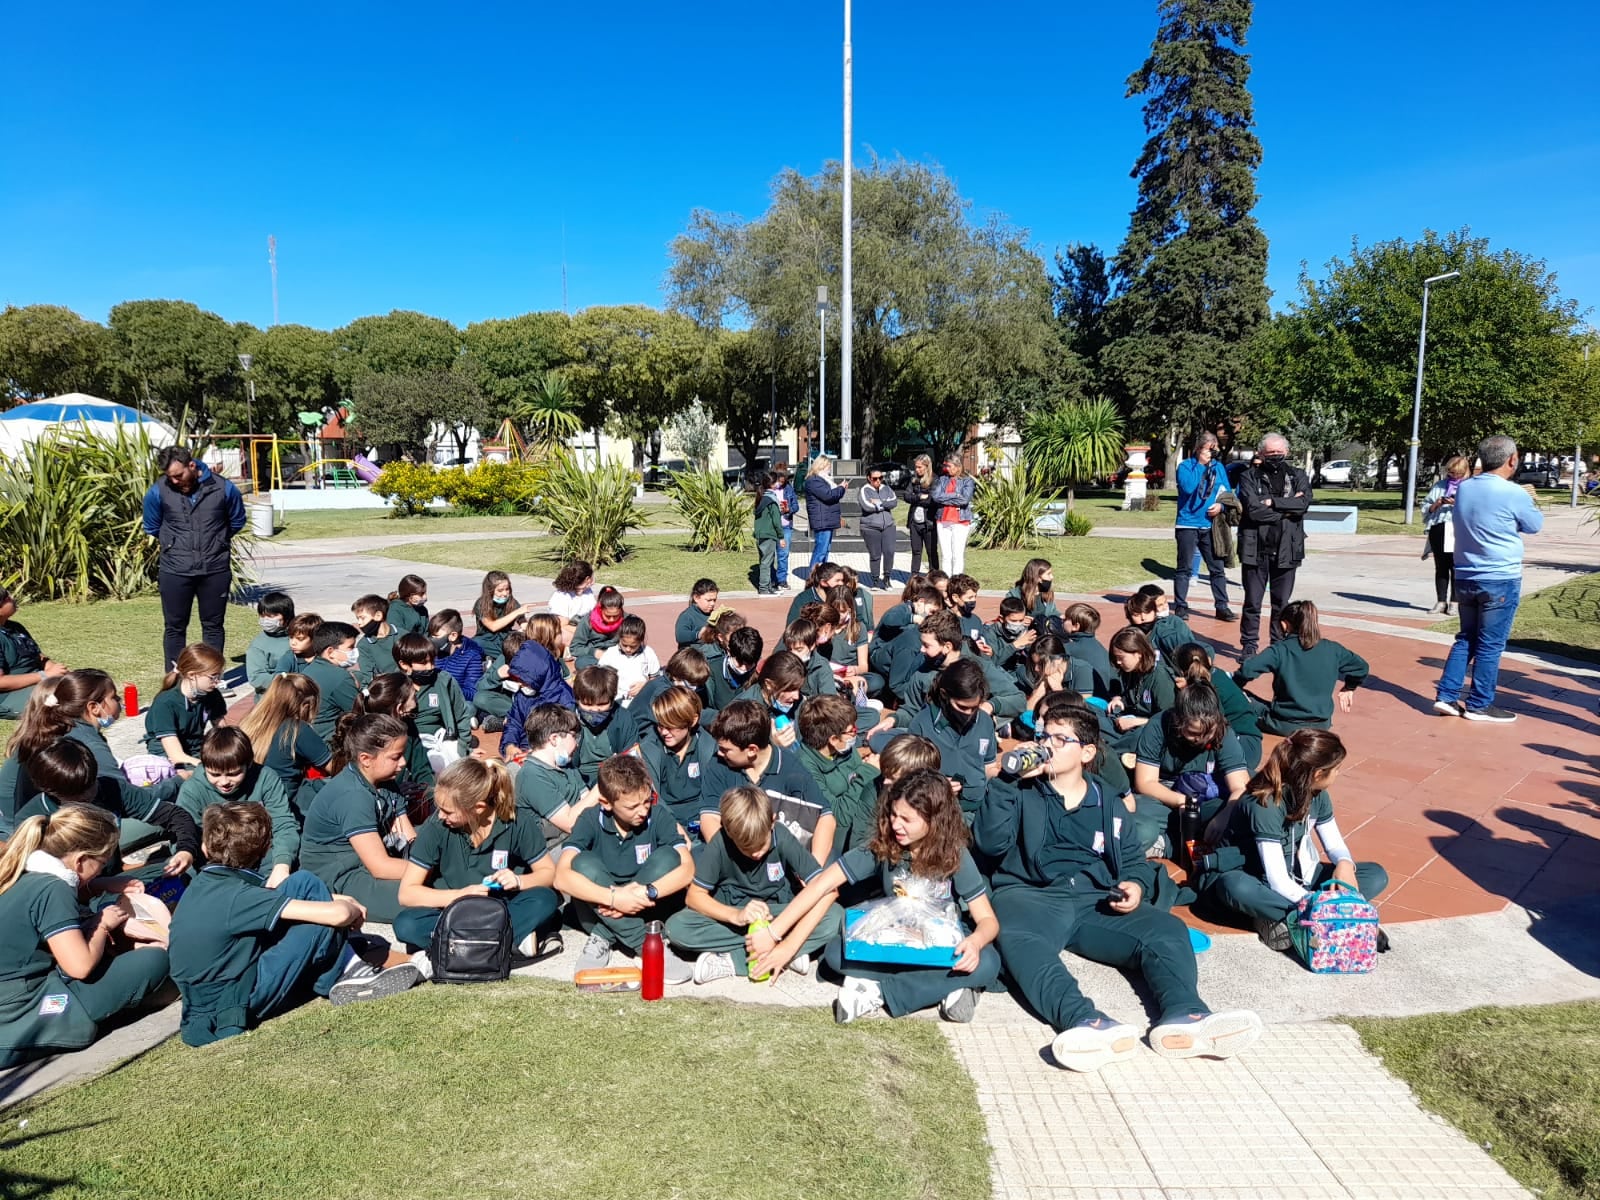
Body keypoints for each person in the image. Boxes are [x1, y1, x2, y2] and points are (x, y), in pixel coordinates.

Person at [976, 705, 1262, 1072]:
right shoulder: (1018, 791)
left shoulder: (1106, 800)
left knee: (1166, 929)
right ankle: (1086, 1022)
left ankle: (1185, 1013)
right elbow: (988, 844)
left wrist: (1138, 886)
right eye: (1044, 736)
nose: (1047, 745)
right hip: (1030, 895)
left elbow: (1132, 861)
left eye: (1060, 739)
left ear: (1087, 752)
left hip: (1094, 899)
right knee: (1019, 940)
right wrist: (1005, 780)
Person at [169, 802, 421, 1046]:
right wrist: (350, 907)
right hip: (233, 1000)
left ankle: (343, 967)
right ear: (267, 848)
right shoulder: (238, 897)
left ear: (204, 847)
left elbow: (273, 897)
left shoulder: (206, 885)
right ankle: (344, 973)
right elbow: (336, 917)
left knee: (302, 883)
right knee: (313, 897)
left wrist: (338, 899)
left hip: (211, 995)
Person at [760, 770, 1000, 1024]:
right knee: (835, 954)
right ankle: (947, 987)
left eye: (907, 819)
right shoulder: (884, 846)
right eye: (894, 814)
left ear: (934, 820)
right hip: (892, 937)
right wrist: (776, 937)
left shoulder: (955, 854)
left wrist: (975, 942)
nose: (896, 824)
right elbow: (821, 885)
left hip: (940, 943)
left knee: (988, 961)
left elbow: (988, 920)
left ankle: (879, 992)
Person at [0, 805, 171, 1067]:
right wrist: (102, 924)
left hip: (14, 992)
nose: (101, 871)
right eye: (101, 865)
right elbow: (80, 966)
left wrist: (98, 887)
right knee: (153, 961)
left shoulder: (21, 870)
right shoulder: (52, 889)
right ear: (80, 860)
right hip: (21, 1009)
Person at [1201, 729, 1388, 952]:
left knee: (1375, 875)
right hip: (1256, 879)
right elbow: (1277, 879)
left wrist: (1345, 863)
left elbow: (1334, 845)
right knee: (1235, 887)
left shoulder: (1317, 795)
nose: (1338, 774)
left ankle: (1286, 918)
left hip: (1298, 878)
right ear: (1318, 774)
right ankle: (1323, 918)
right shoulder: (1267, 804)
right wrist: (1327, 907)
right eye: (1336, 769)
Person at [666, 785, 842, 984]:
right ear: (729, 833)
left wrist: (774, 931)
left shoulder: (781, 836)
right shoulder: (720, 842)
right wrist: (736, 916)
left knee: (835, 916)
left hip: (778, 915)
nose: (756, 853)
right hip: (734, 916)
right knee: (677, 927)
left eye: (761, 845)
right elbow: (694, 896)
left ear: (772, 822)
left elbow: (827, 889)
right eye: (747, 848)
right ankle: (782, 955)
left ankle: (734, 960)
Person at [394, 757, 562, 961]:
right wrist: (460, 895)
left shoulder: (517, 822)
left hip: (500, 910)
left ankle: (455, 946)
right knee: (406, 924)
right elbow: (407, 893)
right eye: (439, 808)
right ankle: (504, 942)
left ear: (478, 808)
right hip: (452, 913)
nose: (440, 816)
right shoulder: (435, 828)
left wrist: (519, 881)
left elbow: (548, 873)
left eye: (448, 811)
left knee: (545, 899)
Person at [554, 754, 695, 982]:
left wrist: (644, 891)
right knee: (581, 863)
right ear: (606, 803)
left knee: (670, 856)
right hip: (599, 907)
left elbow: (688, 869)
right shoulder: (590, 819)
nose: (643, 810)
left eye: (647, 801)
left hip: (645, 906)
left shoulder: (658, 816)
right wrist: (614, 898)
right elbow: (561, 878)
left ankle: (605, 935)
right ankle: (647, 946)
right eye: (632, 806)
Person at [1434, 435, 1543, 723]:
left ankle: (1446, 696)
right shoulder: (1514, 492)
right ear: (1512, 459)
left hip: (1466, 574)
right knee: (1490, 644)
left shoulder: (1466, 488)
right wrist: (1531, 501)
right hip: (1499, 577)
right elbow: (1534, 525)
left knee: (1466, 637)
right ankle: (1480, 703)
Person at [297, 713, 416, 922]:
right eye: (396, 757)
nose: (403, 762)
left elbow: (408, 836)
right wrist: (425, 868)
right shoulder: (353, 796)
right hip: (340, 876)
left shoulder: (384, 780)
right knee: (421, 899)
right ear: (365, 759)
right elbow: (380, 867)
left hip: (368, 859)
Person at [142, 446, 247, 670]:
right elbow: (151, 526)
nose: (175, 481)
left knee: (213, 625)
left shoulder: (224, 488)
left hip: (215, 568)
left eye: (178, 475)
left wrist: (217, 541)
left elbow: (237, 521)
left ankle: (212, 676)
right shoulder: (158, 491)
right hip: (175, 569)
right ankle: (175, 676)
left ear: (192, 465)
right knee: (174, 626)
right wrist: (174, 544)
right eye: (170, 477)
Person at [700, 700, 834, 863]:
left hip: (781, 856)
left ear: (751, 750)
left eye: (726, 750)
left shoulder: (791, 767)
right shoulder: (719, 764)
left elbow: (825, 817)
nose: (719, 753)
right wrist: (731, 859)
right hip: (735, 852)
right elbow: (709, 818)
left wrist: (814, 869)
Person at [1130, 682, 1251, 858]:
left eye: (1207, 733)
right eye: (1193, 733)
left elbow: (1241, 786)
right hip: (1165, 794)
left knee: (1242, 811)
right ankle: (1175, 843)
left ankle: (1169, 844)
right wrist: (1183, 803)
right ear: (1178, 721)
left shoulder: (1223, 732)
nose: (1200, 739)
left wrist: (1223, 816)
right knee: (1137, 814)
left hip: (1206, 796)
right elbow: (1145, 782)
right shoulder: (1159, 725)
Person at [178, 727, 299, 888]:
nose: (224, 782)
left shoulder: (265, 778)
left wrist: (282, 866)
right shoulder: (192, 790)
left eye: (234, 773)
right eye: (214, 774)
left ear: (248, 764)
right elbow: (185, 833)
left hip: (259, 855)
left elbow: (283, 823)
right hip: (213, 862)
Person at [1234, 600, 1368, 733]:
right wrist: (1349, 687)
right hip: (1322, 724)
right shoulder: (1333, 649)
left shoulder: (1279, 650)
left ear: (1284, 625)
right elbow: (1361, 667)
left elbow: (1247, 670)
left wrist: (1235, 684)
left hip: (1284, 723)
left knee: (1239, 697)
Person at [1236, 433, 1313, 660]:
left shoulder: (1298, 475)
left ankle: (1278, 644)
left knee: (1281, 603)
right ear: (1260, 454)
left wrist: (1273, 502)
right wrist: (1287, 510)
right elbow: (1253, 510)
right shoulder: (1249, 476)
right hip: (1255, 548)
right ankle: (1249, 645)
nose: (1275, 457)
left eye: (1279, 453)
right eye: (1270, 453)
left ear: (1287, 452)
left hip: (1287, 548)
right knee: (1252, 602)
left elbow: (1304, 504)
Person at [795, 693, 878, 856]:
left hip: (858, 807)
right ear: (833, 739)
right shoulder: (805, 770)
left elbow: (856, 771)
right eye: (851, 731)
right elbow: (838, 816)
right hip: (835, 833)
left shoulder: (842, 749)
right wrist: (866, 772)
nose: (856, 732)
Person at [239, 673, 332, 816]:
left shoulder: (251, 721)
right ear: (305, 706)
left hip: (255, 801)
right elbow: (334, 767)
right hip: (287, 801)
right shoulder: (297, 729)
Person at [634, 688, 717, 837]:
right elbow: (652, 797)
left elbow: (715, 794)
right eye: (660, 725)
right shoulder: (649, 748)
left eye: (670, 726)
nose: (664, 732)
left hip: (704, 818)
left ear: (692, 720)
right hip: (665, 822)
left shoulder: (708, 745)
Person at [512, 704, 594, 850]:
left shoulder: (566, 765)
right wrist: (600, 789)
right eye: (573, 736)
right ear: (554, 739)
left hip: (578, 836)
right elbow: (570, 823)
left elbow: (588, 801)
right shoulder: (532, 776)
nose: (576, 744)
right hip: (552, 850)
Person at [1173, 432, 1236, 621]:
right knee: (1184, 567)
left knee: (1217, 568)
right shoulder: (1185, 466)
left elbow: (1228, 493)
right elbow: (1189, 488)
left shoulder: (1219, 468)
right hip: (1187, 524)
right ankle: (1181, 606)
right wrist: (1202, 466)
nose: (1212, 452)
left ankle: (1222, 606)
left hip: (1210, 525)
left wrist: (1221, 506)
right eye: (1209, 448)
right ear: (1199, 448)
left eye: (1214, 449)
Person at [1169, 642, 1261, 771]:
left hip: (1242, 746)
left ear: (1181, 671)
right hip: (1248, 742)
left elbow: (1215, 727)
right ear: (1209, 660)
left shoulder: (1207, 690)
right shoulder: (1216, 674)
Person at [395, 632, 474, 769]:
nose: (430, 667)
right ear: (404, 665)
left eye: (432, 661)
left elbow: (461, 715)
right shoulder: (394, 687)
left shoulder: (443, 680)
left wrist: (463, 746)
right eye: (423, 663)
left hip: (443, 737)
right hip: (412, 742)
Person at [142, 643, 228, 766]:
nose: (218, 681)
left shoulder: (212, 694)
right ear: (192, 675)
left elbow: (223, 732)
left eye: (220, 675)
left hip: (196, 752)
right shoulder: (165, 703)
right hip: (168, 759)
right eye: (213, 677)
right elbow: (176, 756)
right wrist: (210, 767)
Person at [0, 587, 66, 718]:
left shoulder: (15, 627)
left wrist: (50, 666)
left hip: (36, 682)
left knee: (80, 684)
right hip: (7, 696)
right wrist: (44, 675)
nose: (12, 598)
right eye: (7, 598)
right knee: (64, 699)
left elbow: (37, 655)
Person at [1422, 456, 1470, 615]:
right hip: (1439, 528)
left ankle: (1455, 602)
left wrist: (1456, 503)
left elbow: (1474, 509)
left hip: (1458, 530)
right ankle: (1440, 601)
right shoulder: (1440, 485)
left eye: (1457, 473)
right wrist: (1437, 503)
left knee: (1456, 567)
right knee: (1441, 567)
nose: (1454, 476)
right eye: (1451, 472)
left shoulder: (1469, 487)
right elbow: (1426, 506)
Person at [302, 621, 362, 740]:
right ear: (330, 652)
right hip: (331, 740)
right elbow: (359, 714)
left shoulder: (308, 670)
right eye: (350, 647)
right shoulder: (341, 678)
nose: (354, 651)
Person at [597, 615, 660, 707]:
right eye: (624, 645)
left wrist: (646, 685)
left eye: (633, 646)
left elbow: (656, 679)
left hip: (641, 701)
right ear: (619, 638)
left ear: (641, 640)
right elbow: (599, 679)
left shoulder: (648, 653)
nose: (628, 649)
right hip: (616, 702)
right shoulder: (610, 654)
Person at [472, 570, 535, 658]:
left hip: (507, 637)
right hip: (487, 639)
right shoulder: (481, 604)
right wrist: (517, 612)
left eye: (507, 589)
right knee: (477, 643)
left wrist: (526, 629)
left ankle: (506, 657)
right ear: (490, 590)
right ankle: (506, 657)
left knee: (522, 641)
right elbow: (493, 626)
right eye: (500, 590)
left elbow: (523, 624)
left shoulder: (512, 602)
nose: (505, 593)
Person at [932, 453, 976, 576]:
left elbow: (964, 500)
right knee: (946, 554)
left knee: (957, 554)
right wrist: (955, 496)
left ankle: (956, 580)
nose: (947, 469)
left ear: (958, 466)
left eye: (950, 466)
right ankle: (946, 580)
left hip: (960, 521)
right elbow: (936, 496)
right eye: (946, 466)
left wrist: (946, 498)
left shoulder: (967, 481)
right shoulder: (942, 479)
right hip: (943, 519)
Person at [429, 609, 485, 703]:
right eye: (431, 636)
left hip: (455, 702)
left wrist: (447, 690)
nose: (432, 640)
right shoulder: (433, 652)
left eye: (436, 637)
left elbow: (472, 693)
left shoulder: (471, 657)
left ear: (453, 636)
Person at [246, 591, 295, 695]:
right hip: (273, 697)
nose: (266, 620)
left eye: (272, 616)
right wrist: (291, 681)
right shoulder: (258, 645)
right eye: (263, 616)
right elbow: (256, 677)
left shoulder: (299, 635)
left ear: (287, 617)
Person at [858, 467, 899, 590]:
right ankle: (875, 580)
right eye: (875, 478)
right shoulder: (864, 490)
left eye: (880, 478)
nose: (878, 481)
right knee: (875, 555)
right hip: (870, 527)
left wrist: (879, 503)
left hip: (888, 525)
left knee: (889, 552)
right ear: (869, 478)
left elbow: (894, 502)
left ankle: (887, 578)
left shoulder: (886, 488)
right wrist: (884, 504)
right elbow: (867, 506)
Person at [803, 456, 847, 570]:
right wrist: (841, 488)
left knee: (825, 550)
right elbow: (828, 496)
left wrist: (840, 489)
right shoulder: (814, 480)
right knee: (820, 551)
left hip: (827, 519)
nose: (829, 468)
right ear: (821, 466)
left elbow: (831, 494)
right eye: (828, 465)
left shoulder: (823, 479)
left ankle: (822, 575)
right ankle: (812, 578)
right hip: (822, 520)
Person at [570, 586, 626, 671]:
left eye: (615, 616)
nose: (612, 619)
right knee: (581, 662)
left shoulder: (628, 620)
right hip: (595, 658)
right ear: (600, 609)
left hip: (619, 656)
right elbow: (575, 648)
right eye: (608, 616)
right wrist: (594, 652)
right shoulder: (587, 621)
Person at [901, 454, 941, 575]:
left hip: (929, 522)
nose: (917, 470)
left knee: (931, 551)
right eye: (916, 467)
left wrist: (918, 498)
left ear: (927, 466)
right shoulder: (913, 479)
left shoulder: (935, 480)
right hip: (915, 521)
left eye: (919, 467)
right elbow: (906, 496)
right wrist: (919, 496)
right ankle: (914, 576)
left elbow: (932, 500)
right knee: (916, 551)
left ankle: (934, 576)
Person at [350, 594, 399, 683]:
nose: (359, 623)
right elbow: (368, 675)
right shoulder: (364, 645)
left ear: (378, 615)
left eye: (362, 618)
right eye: (357, 619)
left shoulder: (402, 635)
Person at [1005, 559, 1058, 629]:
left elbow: (1053, 612)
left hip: (1043, 632)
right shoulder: (1014, 595)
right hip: (1022, 633)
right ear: (1037, 577)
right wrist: (1020, 620)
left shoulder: (1047, 593)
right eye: (1048, 574)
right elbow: (1007, 616)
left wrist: (1062, 617)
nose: (1052, 577)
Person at [754, 474, 784, 595]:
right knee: (767, 562)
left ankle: (768, 586)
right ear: (772, 484)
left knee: (765, 561)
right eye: (777, 482)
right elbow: (776, 521)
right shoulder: (772, 500)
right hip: (769, 534)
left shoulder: (762, 498)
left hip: (760, 534)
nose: (778, 484)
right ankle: (764, 588)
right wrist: (781, 537)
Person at [771, 465, 799, 590]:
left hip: (785, 525)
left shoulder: (788, 489)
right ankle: (771, 579)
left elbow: (796, 506)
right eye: (779, 481)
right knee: (770, 554)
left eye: (783, 481)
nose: (781, 484)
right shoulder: (769, 488)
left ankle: (781, 580)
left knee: (783, 554)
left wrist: (789, 509)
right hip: (771, 527)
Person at [675, 579, 721, 650]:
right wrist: (698, 634)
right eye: (708, 600)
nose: (712, 604)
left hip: (714, 654)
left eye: (714, 600)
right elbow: (680, 636)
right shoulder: (687, 616)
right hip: (694, 657)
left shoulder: (714, 614)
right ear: (696, 598)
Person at [385, 574, 430, 639]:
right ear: (409, 596)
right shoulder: (395, 610)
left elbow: (426, 632)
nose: (425, 597)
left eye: (425, 593)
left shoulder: (422, 610)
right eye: (421, 594)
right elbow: (397, 636)